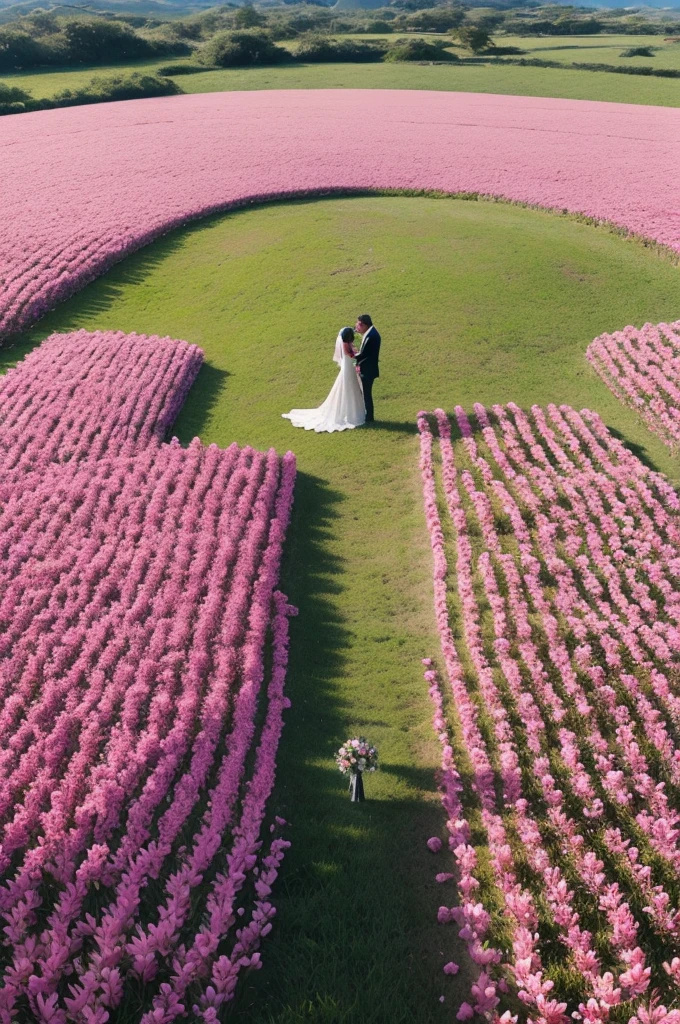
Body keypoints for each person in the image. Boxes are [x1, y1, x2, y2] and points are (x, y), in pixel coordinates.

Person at [282, 327, 366, 432]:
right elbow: (350, 355)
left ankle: (352, 411)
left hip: (349, 368)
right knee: (348, 388)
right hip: (348, 369)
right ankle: (350, 413)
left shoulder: (347, 343)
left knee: (350, 388)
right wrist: (357, 356)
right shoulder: (345, 344)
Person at [354, 314, 380, 423]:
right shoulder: (370, 333)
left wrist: (351, 355)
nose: (358, 327)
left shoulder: (371, 336)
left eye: (359, 325)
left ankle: (369, 418)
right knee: (366, 394)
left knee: (366, 394)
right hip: (368, 368)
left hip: (368, 370)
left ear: (364, 325)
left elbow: (364, 354)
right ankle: (368, 415)